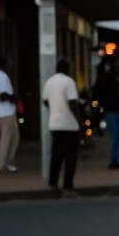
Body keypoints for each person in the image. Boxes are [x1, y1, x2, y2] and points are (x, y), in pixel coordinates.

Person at [42, 58, 83, 197]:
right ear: (67, 68)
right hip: (69, 125)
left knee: (56, 156)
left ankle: (53, 184)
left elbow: (45, 101)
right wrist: (80, 121)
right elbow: (73, 103)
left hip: (54, 124)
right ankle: (68, 187)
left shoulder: (49, 82)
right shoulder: (69, 82)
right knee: (71, 158)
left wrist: (55, 109)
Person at [93, 58, 119, 169]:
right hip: (110, 111)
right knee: (115, 136)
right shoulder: (107, 79)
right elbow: (101, 94)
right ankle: (114, 160)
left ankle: (116, 159)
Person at [0, 55, 19, 174]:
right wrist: (14, 97)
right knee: (8, 139)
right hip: (5, 112)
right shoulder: (2, 77)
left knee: (13, 138)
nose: (10, 66)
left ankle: (7, 163)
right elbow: (3, 95)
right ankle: (2, 165)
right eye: (9, 63)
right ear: (4, 65)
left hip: (4, 112)